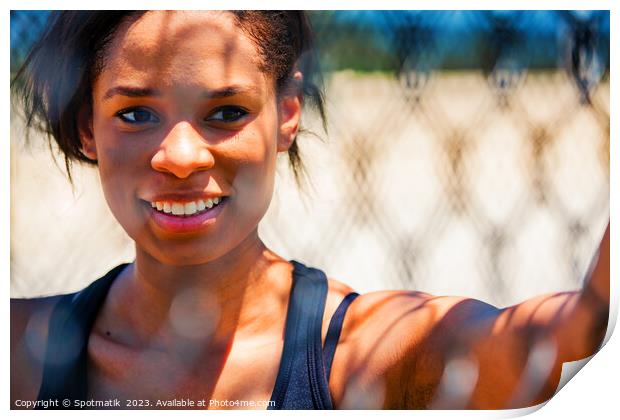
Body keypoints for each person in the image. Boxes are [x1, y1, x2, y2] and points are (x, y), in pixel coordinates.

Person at [10, 10, 610, 410]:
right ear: (87, 125)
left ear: (287, 112)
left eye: (225, 112)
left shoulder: (368, 356)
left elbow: (582, 333)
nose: (182, 157)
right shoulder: (17, 353)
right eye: (136, 113)